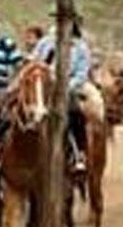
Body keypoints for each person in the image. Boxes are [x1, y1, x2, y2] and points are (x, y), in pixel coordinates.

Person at [34, 23, 99, 173]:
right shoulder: (45, 42)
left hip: (68, 87)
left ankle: (79, 153)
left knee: (75, 111)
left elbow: (82, 73)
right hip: (44, 85)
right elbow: (35, 62)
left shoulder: (80, 47)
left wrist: (66, 87)